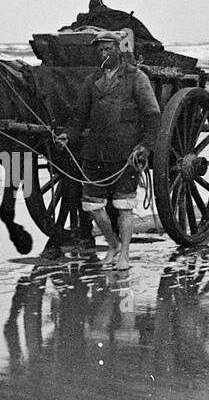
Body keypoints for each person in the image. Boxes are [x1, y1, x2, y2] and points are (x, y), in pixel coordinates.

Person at [56, 34, 160, 269]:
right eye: (99, 50)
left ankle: (124, 254)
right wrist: (68, 135)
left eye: (107, 49)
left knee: (124, 207)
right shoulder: (91, 81)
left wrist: (144, 146)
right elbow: (79, 116)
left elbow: (153, 116)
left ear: (118, 50)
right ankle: (112, 244)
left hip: (127, 153)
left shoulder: (136, 78)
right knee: (93, 205)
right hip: (95, 152)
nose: (103, 54)